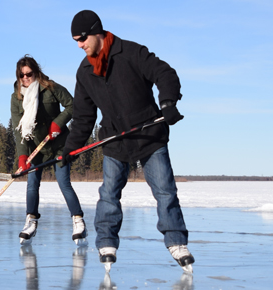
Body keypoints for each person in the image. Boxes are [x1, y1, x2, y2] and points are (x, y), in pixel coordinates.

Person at [61, 10, 195, 271]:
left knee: (165, 191)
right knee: (109, 194)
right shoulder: (85, 71)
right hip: (115, 139)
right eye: (75, 40)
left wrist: (167, 102)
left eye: (82, 38)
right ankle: (106, 241)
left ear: (96, 31)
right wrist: (71, 148)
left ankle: (177, 241)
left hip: (149, 134)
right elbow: (83, 117)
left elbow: (164, 73)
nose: (79, 45)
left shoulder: (131, 52)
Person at [10, 55, 87, 246]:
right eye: (22, 75)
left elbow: (72, 105)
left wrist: (58, 123)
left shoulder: (51, 87)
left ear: (36, 72)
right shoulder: (16, 97)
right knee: (32, 183)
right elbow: (17, 129)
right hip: (36, 146)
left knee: (63, 182)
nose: (26, 78)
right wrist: (22, 156)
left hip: (58, 144)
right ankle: (31, 220)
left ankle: (78, 220)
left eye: (29, 74)